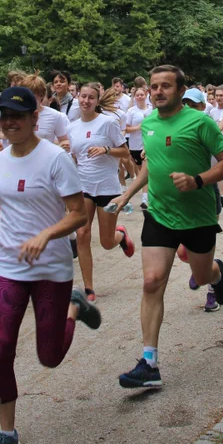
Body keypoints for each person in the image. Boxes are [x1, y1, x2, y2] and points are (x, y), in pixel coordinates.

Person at [0, 87, 101, 444]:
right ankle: (7, 432)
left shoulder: (55, 159)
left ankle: (74, 307)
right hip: (9, 267)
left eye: (18, 116)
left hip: (50, 269)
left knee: (49, 356)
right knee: (0, 349)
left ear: (35, 118)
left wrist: (46, 234)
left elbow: (77, 214)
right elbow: (1, 199)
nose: (10, 123)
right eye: (5, 116)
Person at [108, 65, 223, 388]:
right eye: (154, 86)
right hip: (160, 214)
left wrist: (198, 181)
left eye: (166, 86)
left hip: (198, 217)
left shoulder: (200, 122)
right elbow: (151, 165)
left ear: (181, 91)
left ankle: (216, 274)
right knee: (152, 281)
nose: (158, 91)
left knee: (202, 273)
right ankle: (149, 362)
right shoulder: (148, 124)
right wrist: (126, 195)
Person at [67, 83, 135, 301]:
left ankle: (121, 236)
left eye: (91, 98)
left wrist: (106, 149)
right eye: (83, 96)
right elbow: (75, 157)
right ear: (77, 97)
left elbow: (124, 151)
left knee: (106, 242)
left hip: (107, 187)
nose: (86, 101)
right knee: (82, 234)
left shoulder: (107, 123)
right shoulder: (72, 127)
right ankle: (89, 288)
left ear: (97, 101)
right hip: (83, 187)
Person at [124, 87, 152, 210]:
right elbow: (126, 128)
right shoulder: (131, 111)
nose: (140, 97)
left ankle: (145, 198)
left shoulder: (152, 110)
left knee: (146, 171)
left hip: (148, 144)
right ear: (134, 97)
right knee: (140, 172)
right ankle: (144, 195)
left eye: (142, 94)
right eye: (137, 95)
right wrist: (138, 127)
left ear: (146, 95)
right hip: (135, 145)